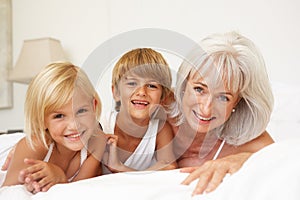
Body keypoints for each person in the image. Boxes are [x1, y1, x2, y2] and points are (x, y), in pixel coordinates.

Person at [169, 31, 274, 195]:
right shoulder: (157, 111)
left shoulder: (247, 139)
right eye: (199, 89)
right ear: (184, 82)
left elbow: (284, 160)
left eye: (223, 98)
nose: (206, 109)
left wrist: (243, 159)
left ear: (237, 102)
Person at [1, 62, 106, 193]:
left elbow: (79, 190)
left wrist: (60, 176)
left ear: (94, 106)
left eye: (81, 111)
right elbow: (7, 192)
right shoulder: (35, 145)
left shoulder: (98, 141)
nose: (74, 126)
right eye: (59, 116)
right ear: (41, 119)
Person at [101, 48, 177, 173]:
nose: (141, 92)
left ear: (162, 97)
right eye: (132, 83)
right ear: (116, 93)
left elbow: (169, 166)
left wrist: (121, 168)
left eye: (152, 85)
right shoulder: (103, 124)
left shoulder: (160, 130)